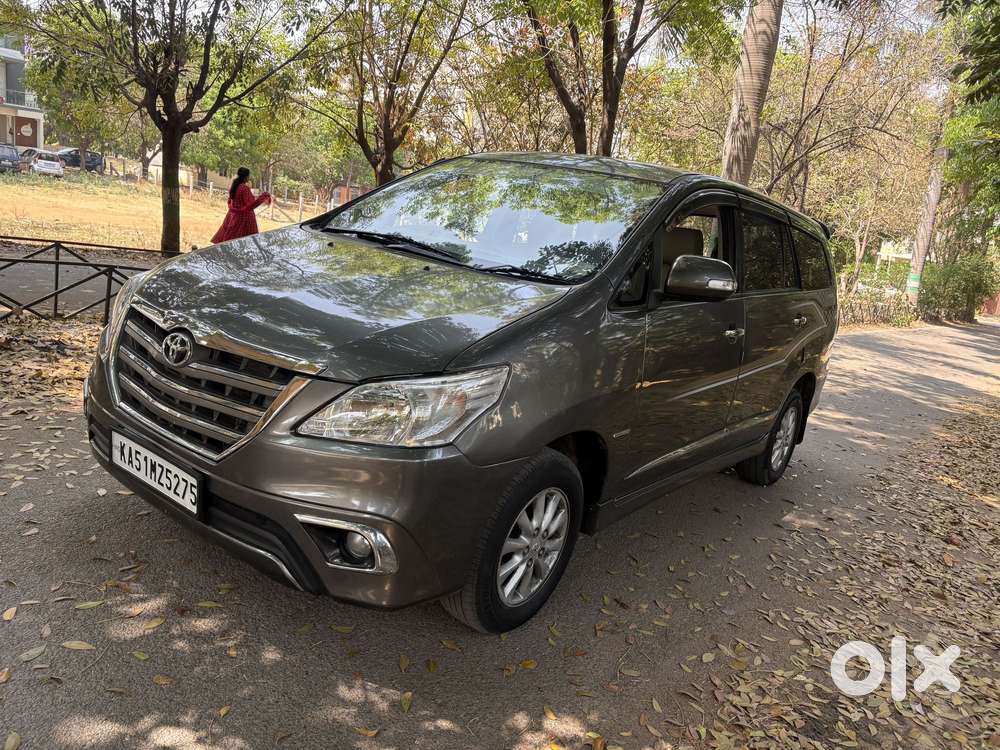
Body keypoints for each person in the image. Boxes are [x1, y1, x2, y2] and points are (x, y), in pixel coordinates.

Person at [211, 167, 272, 243]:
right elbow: (250, 205)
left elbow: (231, 201)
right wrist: (264, 196)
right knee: (243, 241)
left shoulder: (234, 186)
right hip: (243, 219)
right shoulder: (244, 188)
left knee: (229, 239)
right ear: (246, 176)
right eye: (248, 176)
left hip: (232, 216)